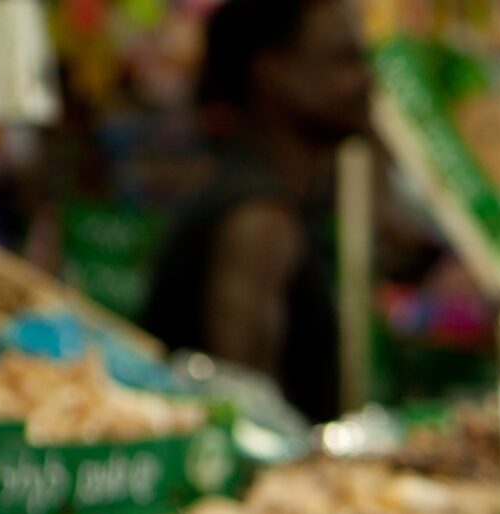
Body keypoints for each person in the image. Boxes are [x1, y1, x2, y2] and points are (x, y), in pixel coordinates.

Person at [141, 0, 372, 425]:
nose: (365, 80)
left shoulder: (264, 200)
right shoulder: (257, 218)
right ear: (272, 70)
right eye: (343, 60)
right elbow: (245, 417)